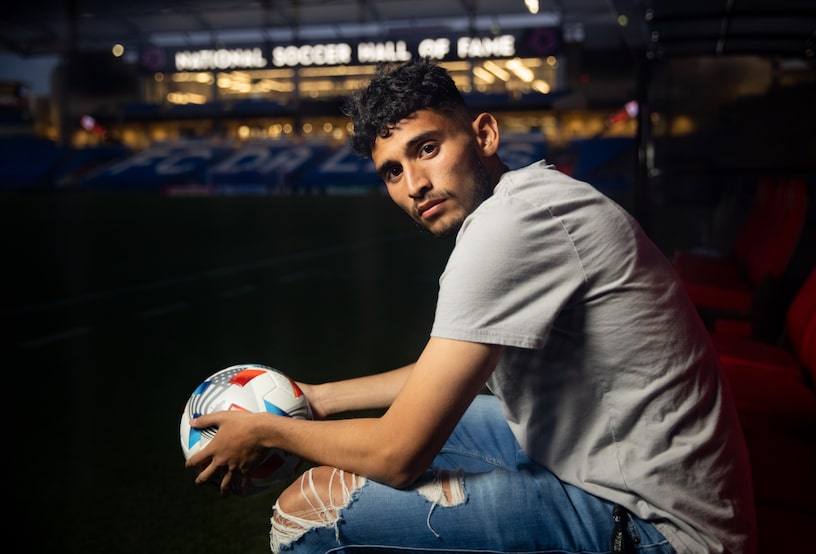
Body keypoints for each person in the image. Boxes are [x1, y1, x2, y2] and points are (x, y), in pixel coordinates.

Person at [187, 58, 757, 554]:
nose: (414, 184)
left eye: (427, 149)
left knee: (307, 515)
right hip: (630, 469)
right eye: (392, 171)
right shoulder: (527, 199)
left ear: (483, 135)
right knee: (389, 432)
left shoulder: (509, 227)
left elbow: (397, 456)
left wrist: (271, 432)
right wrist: (317, 399)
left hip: (664, 529)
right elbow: (444, 374)